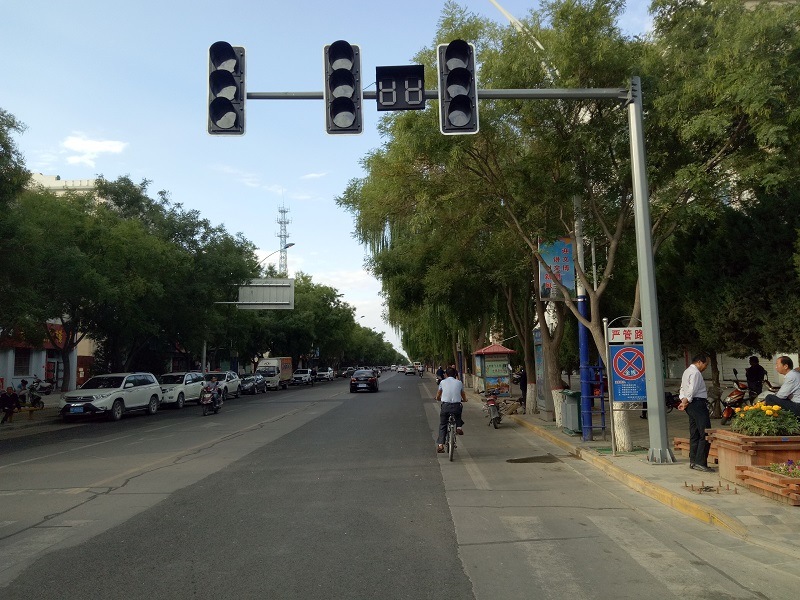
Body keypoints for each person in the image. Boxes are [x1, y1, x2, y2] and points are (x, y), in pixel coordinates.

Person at [678, 354, 713, 472]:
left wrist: (684, 400)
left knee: (695, 433)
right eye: (705, 364)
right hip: (697, 403)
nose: (705, 367)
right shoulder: (696, 373)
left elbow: (683, 388)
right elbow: (692, 389)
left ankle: (693, 460)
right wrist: (686, 400)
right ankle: (700, 462)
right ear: (699, 362)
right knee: (705, 433)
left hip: (690, 404)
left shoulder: (686, 371)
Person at [435, 367, 467, 453]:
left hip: (445, 406)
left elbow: (439, 393)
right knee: (458, 412)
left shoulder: (442, 382)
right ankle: (459, 427)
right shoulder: (459, 382)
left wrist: (437, 398)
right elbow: (462, 394)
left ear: (446, 374)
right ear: (455, 375)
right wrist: (465, 399)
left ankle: (440, 445)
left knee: (443, 425)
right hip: (456, 406)